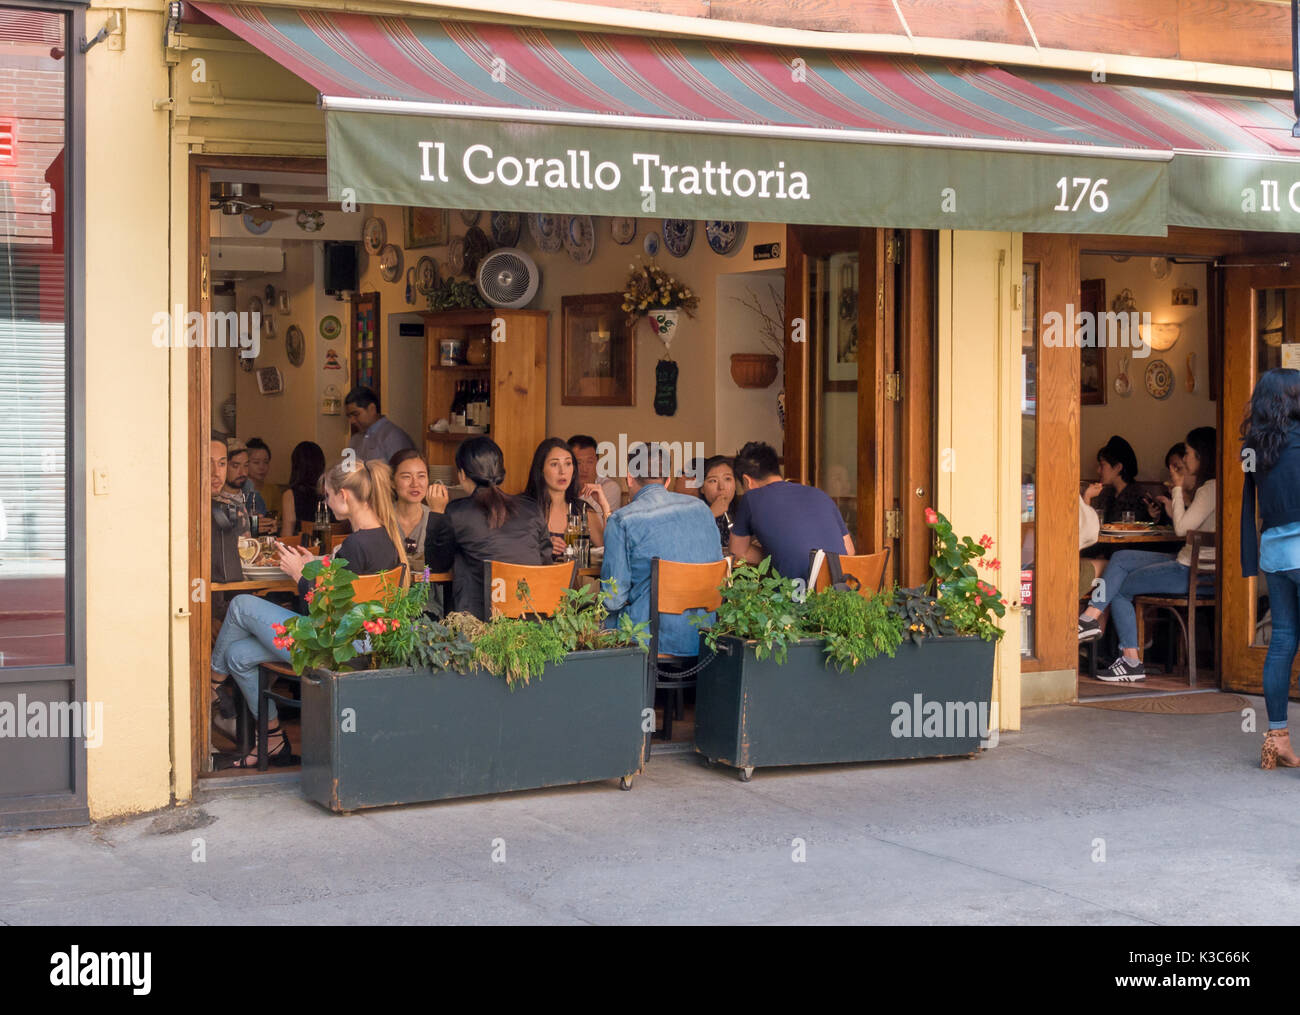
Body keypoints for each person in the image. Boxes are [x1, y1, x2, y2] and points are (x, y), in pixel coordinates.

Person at [211, 458, 407, 768]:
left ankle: (211, 685)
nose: (326, 504)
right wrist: (314, 566)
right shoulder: (384, 540)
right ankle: (273, 738)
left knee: (240, 605)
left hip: (329, 649)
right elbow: (346, 599)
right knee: (237, 654)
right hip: (359, 646)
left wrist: (300, 576)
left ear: (344, 495)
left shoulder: (355, 545)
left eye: (328, 496)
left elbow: (322, 612)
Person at [1078, 426, 1217, 681]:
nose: (1184, 460)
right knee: (1120, 559)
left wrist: (1176, 488)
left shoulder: (1210, 489)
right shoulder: (1213, 488)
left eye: (1187, 453)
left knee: (1118, 587)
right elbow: (1187, 526)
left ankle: (1129, 659)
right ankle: (1090, 617)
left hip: (1190, 571)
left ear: (1201, 455)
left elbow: (1182, 528)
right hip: (1190, 564)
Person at [598, 441, 723, 657]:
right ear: (668, 480)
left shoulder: (622, 520)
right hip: (705, 637)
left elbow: (612, 599)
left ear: (629, 478)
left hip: (651, 642)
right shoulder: (702, 510)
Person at [1240, 368, 1300, 767]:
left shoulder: (1255, 448)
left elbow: (1250, 504)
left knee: (1281, 642)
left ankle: (1276, 740)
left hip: (1275, 553)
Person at [424, 436, 550, 620]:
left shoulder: (457, 513)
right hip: (532, 619)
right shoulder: (531, 509)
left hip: (480, 624)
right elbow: (545, 562)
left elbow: (435, 566)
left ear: (462, 474)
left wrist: (436, 512)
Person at [729, 440, 854, 580]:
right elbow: (849, 550)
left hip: (796, 594)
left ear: (747, 481)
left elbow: (737, 551)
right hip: (841, 590)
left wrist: (775, 551)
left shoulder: (751, 498)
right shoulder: (820, 495)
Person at [522, 437, 605, 560]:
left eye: (568, 464)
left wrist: (605, 507)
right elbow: (508, 550)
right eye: (554, 464)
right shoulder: (523, 508)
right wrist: (540, 547)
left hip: (574, 579)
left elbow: (609, 551)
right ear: (541, 469)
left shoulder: (582, 510)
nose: (562, 471)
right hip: (532, 578)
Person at [389, 448, 449, 570]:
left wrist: (437, 516)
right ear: (392, 482)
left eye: (421, 476)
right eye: (406, 477)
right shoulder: (382, 518)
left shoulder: (437, 516)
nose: (415, 484)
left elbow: (443, 566)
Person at [345, 385, 415, 463]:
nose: (352, 421)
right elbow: (347, 471)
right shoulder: (355, 439)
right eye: (349, 416)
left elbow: (402, 472)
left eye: (356, 414)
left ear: (372, 409)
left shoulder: (393, 437)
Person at [1088, 435, 1146, 524]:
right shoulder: (1106, 493)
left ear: (1118, 467)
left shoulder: (1138, 496)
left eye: (1102, 465)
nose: (1098, 471)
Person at [279, 441, 327, 538]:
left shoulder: (290, 495)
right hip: (333, 549)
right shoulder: (331, 493)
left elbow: (287, 536)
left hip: (303, 550)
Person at [568, 434, 622, 513]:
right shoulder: (562, 487)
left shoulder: (609, 487)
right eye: (578, 462)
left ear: (597, 463)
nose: (584, 469)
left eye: (590, 462)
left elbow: (599, 523)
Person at [698, 455, 742, 552]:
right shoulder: (692, 514)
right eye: (713, 481)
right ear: (702, 488)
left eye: (727, 479)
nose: (721, 487)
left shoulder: (744, 512)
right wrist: (711, 514)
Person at [1142, 442, 1192, 525]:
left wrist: (1182, 500)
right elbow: (1163, 526)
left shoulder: (1203, 493)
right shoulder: (1169, 495)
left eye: (1178, 468)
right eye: (1171, 470)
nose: (1173, 474)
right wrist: (1155, 516)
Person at [218, 438, 252, 537]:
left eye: (246, 465)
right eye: (235, 466)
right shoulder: (215, 503)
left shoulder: (252, 494)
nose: (243, 473)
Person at [243, 437, 276, 517]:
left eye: (266, 462)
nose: (262, 467)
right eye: (256, 462)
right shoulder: (237, 491)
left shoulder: (273, 491)